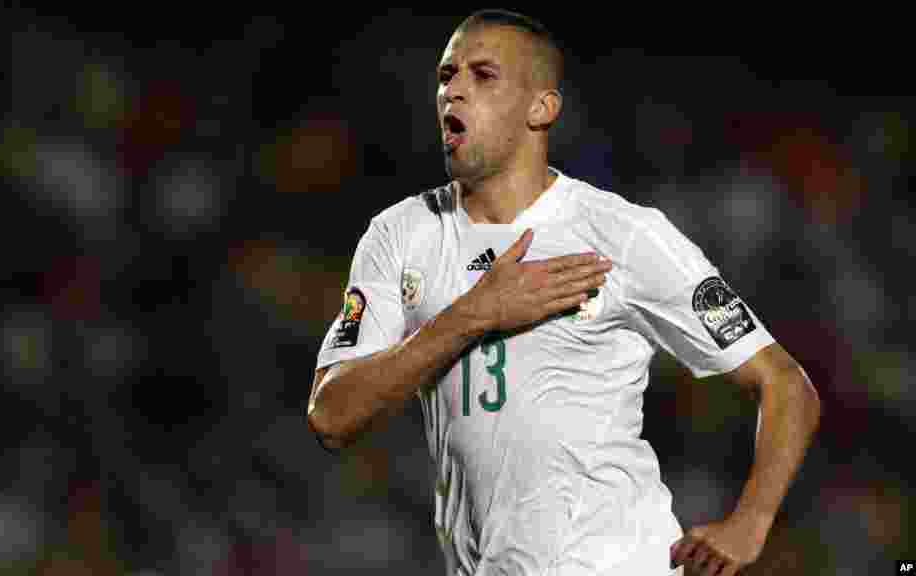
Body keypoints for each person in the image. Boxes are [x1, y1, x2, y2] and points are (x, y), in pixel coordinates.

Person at [307, 9, 821, 576]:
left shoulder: (622, 234)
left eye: (483, 75)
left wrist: (750, 521)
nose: (453, 90)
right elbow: (332, 415)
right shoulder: (401, 234)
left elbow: (785, 383)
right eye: (446, 75)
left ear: (541, 108)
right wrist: (474, 314)